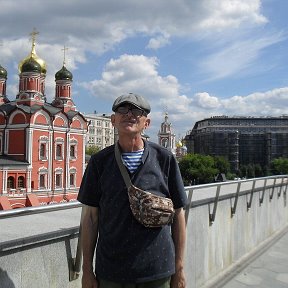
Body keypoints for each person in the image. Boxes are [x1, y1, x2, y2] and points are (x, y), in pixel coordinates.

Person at [77, 92, 188, 288]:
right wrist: (87, 270)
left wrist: (179, 269)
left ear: (147, 122)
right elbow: (90, 218)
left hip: (157, 270)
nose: (129, 114)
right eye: (122, 110)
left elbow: (179, 214)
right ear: (113, 120)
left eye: (137, 111)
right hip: (111, 272)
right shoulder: (99, 162)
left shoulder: (164, 159)